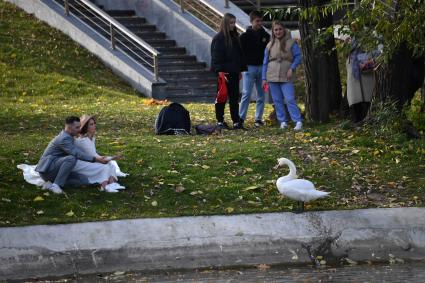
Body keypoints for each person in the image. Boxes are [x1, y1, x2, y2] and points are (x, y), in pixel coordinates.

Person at [35, 116, 108, 194]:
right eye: (77, 127)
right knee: (71, 158)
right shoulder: (64, 139)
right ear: (69, 128)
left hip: (57, 168)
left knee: (83, 180)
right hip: (48, 171)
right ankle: (56, 185)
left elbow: (81, 151)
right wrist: (96, 159)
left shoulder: (69, 136)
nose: (79, 129)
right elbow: (76, 153)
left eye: (80, 127)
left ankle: (50, 184)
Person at [262, 21, 303, 131]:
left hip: (286, 75)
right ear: (273, 31)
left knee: (289, 99)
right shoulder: (269, 45)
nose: (278, 31)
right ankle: (283, 121)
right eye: (276, 30)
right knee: (277, 100)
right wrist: (263, 78)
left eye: (280, 29)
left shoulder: (291, 43)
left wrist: (292, 68)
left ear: (284, 30)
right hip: (272, 75)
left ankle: (298, 121)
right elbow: (265, 62)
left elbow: (298, 57)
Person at [73, 115, 126, 193]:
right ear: (86, 128)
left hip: (88, 161)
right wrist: (112, 157)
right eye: (91, 124)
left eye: (94, 123)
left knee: (111, 165)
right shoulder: (83, 141)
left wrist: (111, 159)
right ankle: (104, 186)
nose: (94, 125)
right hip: (80, 164)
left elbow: (94, 156)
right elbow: (95, 157)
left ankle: (112, 183)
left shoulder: (91, 138)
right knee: (105, 167)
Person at [211, 13, 246, 130]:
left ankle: (236, 120)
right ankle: (220, 120)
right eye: (231, 22)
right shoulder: (219, 38)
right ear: (226, 23)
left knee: (234, 98)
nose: (233, 25)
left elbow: (238, 56)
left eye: (234, 22)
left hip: (234, 72)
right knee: (221, 97)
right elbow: (216, 56)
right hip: (224, 73)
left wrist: (240, 70)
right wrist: (219, 71)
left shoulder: (235, 37)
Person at [239, 10, 270, 127]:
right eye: (257, 21)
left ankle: (258, 118)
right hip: (249, 68)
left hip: (262, 68)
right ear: (251, 21)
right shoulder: (244, 37)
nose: (260, 23)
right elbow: (241, 54)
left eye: (261, 21)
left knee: (261, 94)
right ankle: (241, 118)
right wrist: (242, 67)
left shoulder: (266, 36)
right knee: (246, 93)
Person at [346, 37, 379, 124]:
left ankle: (366, 121)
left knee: (368, 98)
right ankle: (357, 122)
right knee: (355, 100)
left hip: (367, 76)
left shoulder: (371, 42)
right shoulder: (349, 49)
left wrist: (367, 63)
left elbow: (377, 55)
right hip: (354, 77)